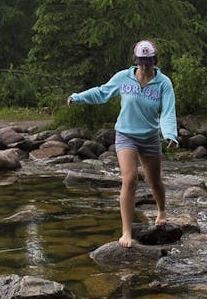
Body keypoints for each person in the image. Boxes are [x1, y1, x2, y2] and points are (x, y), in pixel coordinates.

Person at [67, 40, 179, 247]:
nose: (144, 65)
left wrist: (170, 134)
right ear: (135, 60)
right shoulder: (123, 78)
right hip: (126, 135)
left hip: (150, 137)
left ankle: (161, 210)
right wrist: (78, 97)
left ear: (154, 60)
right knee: (130, 179)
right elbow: (102, 92)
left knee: (155, 181)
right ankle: (126, 232)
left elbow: (168, 111)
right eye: (141, 60)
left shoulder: (164, 83)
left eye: (148, 61)